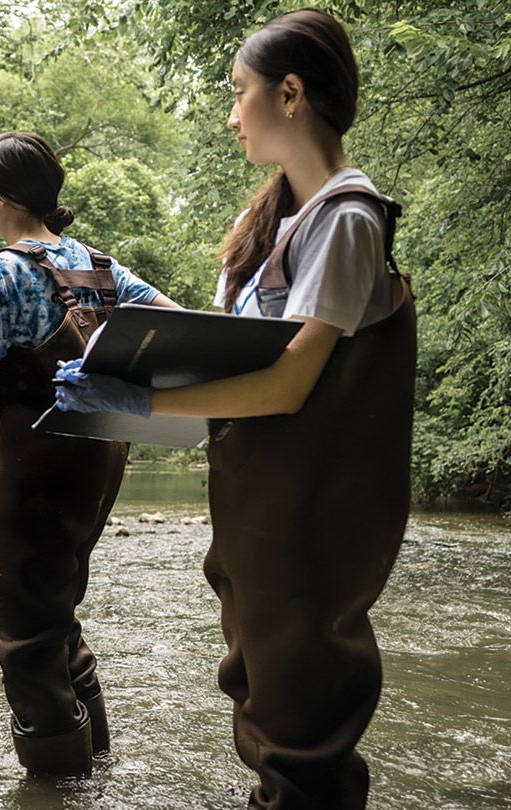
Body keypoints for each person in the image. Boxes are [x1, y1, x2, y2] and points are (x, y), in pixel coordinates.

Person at [55, 10, 414, 808]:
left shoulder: (347, 220)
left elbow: (287, 385)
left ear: (289, 95)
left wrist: (139, 396)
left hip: (312, 517)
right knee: (264, 697)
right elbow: (242, 352)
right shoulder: (278, 222)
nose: (230, 113)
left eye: (239, 92)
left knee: (301, 727)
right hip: (263, 511)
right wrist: (115, 336)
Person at [0, 132, 178, 777]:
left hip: (30, 466)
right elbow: (177, 321)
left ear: (1, 195)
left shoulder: (2, 271)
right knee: (56, 602)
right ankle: (96, 758)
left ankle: (60, 778)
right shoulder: (100, 267)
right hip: (99, 458)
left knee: (21, 627)